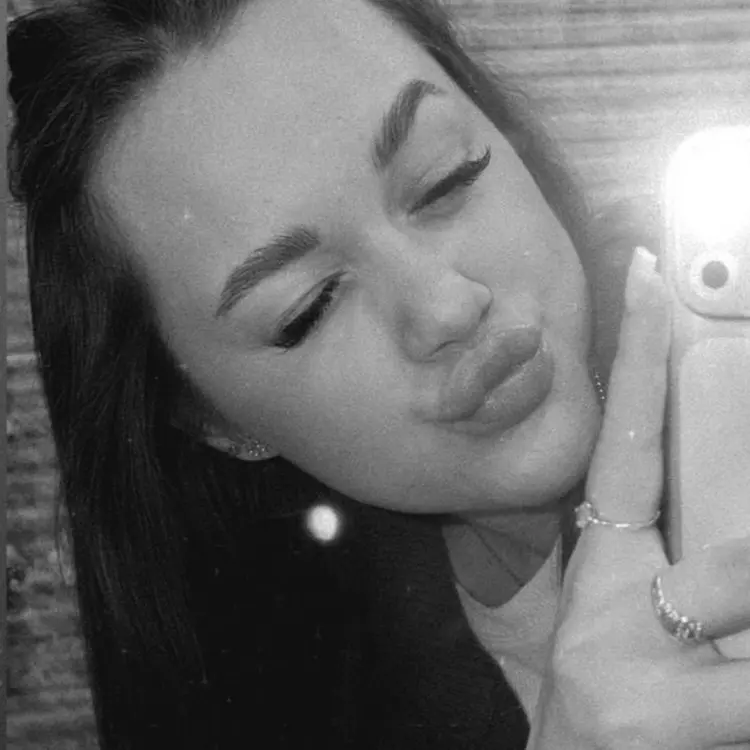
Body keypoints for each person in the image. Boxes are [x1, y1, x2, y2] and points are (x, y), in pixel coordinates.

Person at [7, 0, 750, 748]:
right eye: (308, 307)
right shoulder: (281, 679)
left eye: (444, 181)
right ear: (211, 420)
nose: (446, 307)